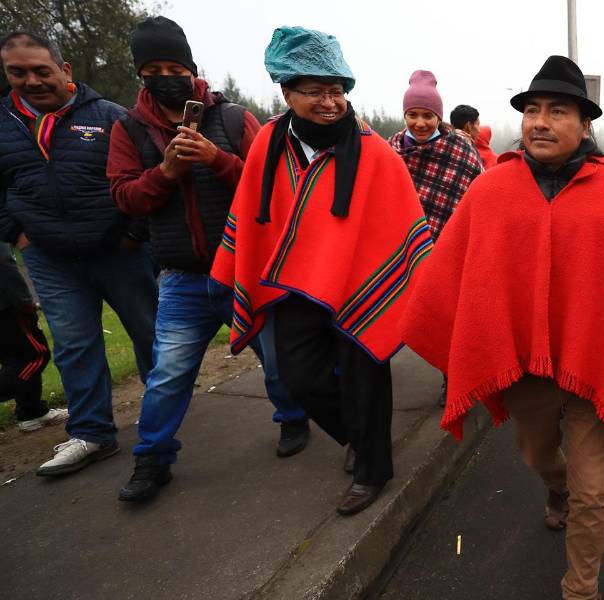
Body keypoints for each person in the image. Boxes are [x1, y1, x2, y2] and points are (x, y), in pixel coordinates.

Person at [397, 55, 604, 600]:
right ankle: (555, 487)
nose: (540, 121)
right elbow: (454, 272)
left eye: (557, 111)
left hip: (592, 367)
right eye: (533, 110)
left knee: (595, 492)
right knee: (539, 455)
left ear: (585, 124)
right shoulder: (493, 190)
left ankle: (580, 589)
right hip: (525, 366)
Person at [210, 26, 433, 515]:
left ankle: (372, 470)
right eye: (315, 92)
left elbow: (402, 225)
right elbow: (254, 212)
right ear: (287, 93)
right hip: (292, 286)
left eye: (337, 91)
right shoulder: (270, 141)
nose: (329, 102)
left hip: (361, 285)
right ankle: (357, 435)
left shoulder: (375, 151)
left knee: (366, 380)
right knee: (300, 377)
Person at [106, 16, 310, 502]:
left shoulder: (235, 119)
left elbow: (274, 185)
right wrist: (167, 170)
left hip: (247, 271)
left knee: (277, 360)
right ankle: (153, 458)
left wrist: (217, 160)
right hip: (181, 277)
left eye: (173, 66)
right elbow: (125, 198)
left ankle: (294, 419)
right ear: (141, 76)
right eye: (152, 68)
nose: (165, 76)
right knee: (168, 372)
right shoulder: (128, 129)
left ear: (191, 67)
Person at [0, 32, 159, 477]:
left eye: (40, 70)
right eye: (18, 72)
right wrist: (17, 234)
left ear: (64, 69)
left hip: (118, 251)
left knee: (149, 333)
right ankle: (92, 433)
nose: (31, 80)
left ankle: (165, 409)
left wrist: (133, 233)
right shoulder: (2, 122)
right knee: (74, 344)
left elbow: (147, 179)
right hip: (49, 258)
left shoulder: (112, 118)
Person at [388, 72, 483, 241]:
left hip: (444, 250)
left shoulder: (460, 151)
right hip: (394, 246)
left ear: (438, 117)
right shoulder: (389, 152)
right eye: (412, 115)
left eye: (428, 115)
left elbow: (481, 201)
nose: (420, 123)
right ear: (404, 116)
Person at [0, 242, 63, 432]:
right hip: (6, 307)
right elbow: (3, 261)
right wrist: (25, 301)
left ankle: (31, 411)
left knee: (13, 357)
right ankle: (30, 411)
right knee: (35, 355)